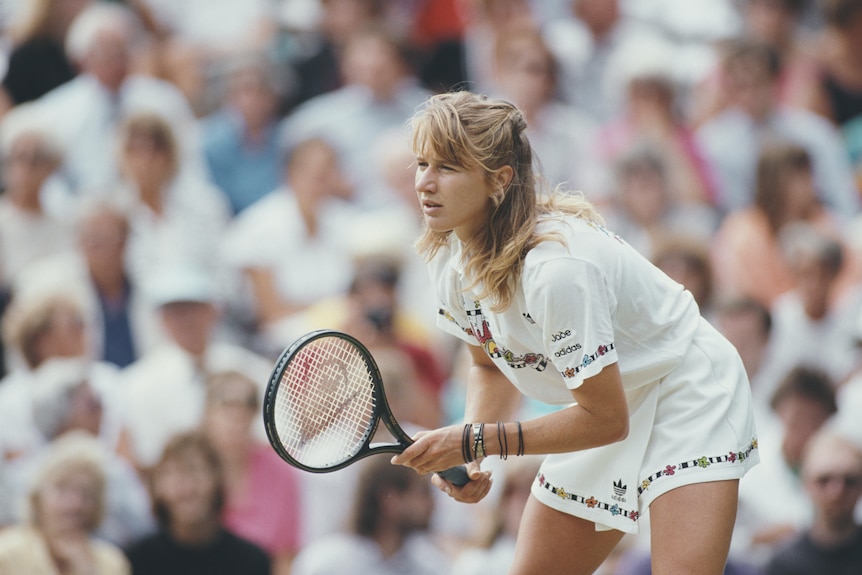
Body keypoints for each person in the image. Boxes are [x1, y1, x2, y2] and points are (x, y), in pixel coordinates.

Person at [391, 91, 759, 574]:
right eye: (422, 163)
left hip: (689, 390)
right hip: (604, 401)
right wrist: (475, 454)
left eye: (448, 167)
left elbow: (607, 420)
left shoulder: (558, 271)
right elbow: (489, 366)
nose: (425, 183)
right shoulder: (448, 256)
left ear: (498, 181)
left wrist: (478, 440)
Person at [124, 431, 271, 575]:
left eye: (195, 471)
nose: (186, 488)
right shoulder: (136, 561)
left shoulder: (252, 561)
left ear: (217, 479)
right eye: (173, 474)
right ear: (157, 486)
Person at [201, 370, 302, 575]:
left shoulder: (279, 469)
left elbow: (286, 556)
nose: (236, 415)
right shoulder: (192, 466)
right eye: (225, 404)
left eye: (247, 404)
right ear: (207, 412)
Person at [291, 455, 451, 575]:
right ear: (391, 498)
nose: (431, 504)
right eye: (423, 493)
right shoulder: (325, 565)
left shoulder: (431, 565)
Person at [0, 432, 131, 574]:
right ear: (38, 496)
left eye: (86, 493)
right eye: (61, 489)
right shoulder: (7, 553)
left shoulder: (111, 562)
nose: (74, 503)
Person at [763, 427, 862, 575]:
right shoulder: (784, 563)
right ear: (805, 484)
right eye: (824, 480)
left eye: (849, 481)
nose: (837, 492)